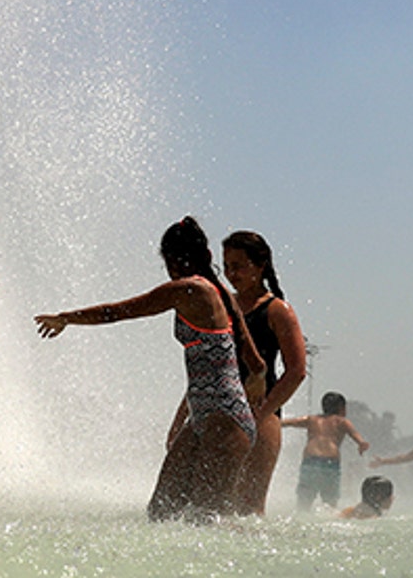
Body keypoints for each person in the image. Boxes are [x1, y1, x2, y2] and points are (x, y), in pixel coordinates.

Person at [36, 216, 263, 521]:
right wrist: (249, 392)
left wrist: (65, 317)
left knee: (206, 522)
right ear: (207, 256)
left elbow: (117, 312)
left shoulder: (190, 289)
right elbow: (257, 365)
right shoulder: (220, 292)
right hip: (208, 415)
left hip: (223, 421)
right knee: (160, 513)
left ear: (171, 260)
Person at [221, 229, 308, 515]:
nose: (231, 274)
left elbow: (296, 371)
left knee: (249, 509)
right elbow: (211, 365)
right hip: (221, 410)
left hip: (262, 413)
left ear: (260, 266)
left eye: (238, 266)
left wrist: (262, 413)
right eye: (227, 267)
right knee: (216, 506)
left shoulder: (277, 310)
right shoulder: (223, 306)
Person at [283, 391, 372, 510]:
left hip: (310, 462)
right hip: (329, 465)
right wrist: (361, 443)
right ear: (342, 408)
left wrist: (268, 420)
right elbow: (355, 434)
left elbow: (288, 422)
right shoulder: (341, 421)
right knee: (330, 502)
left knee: (304, 501)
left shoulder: (312, 419)